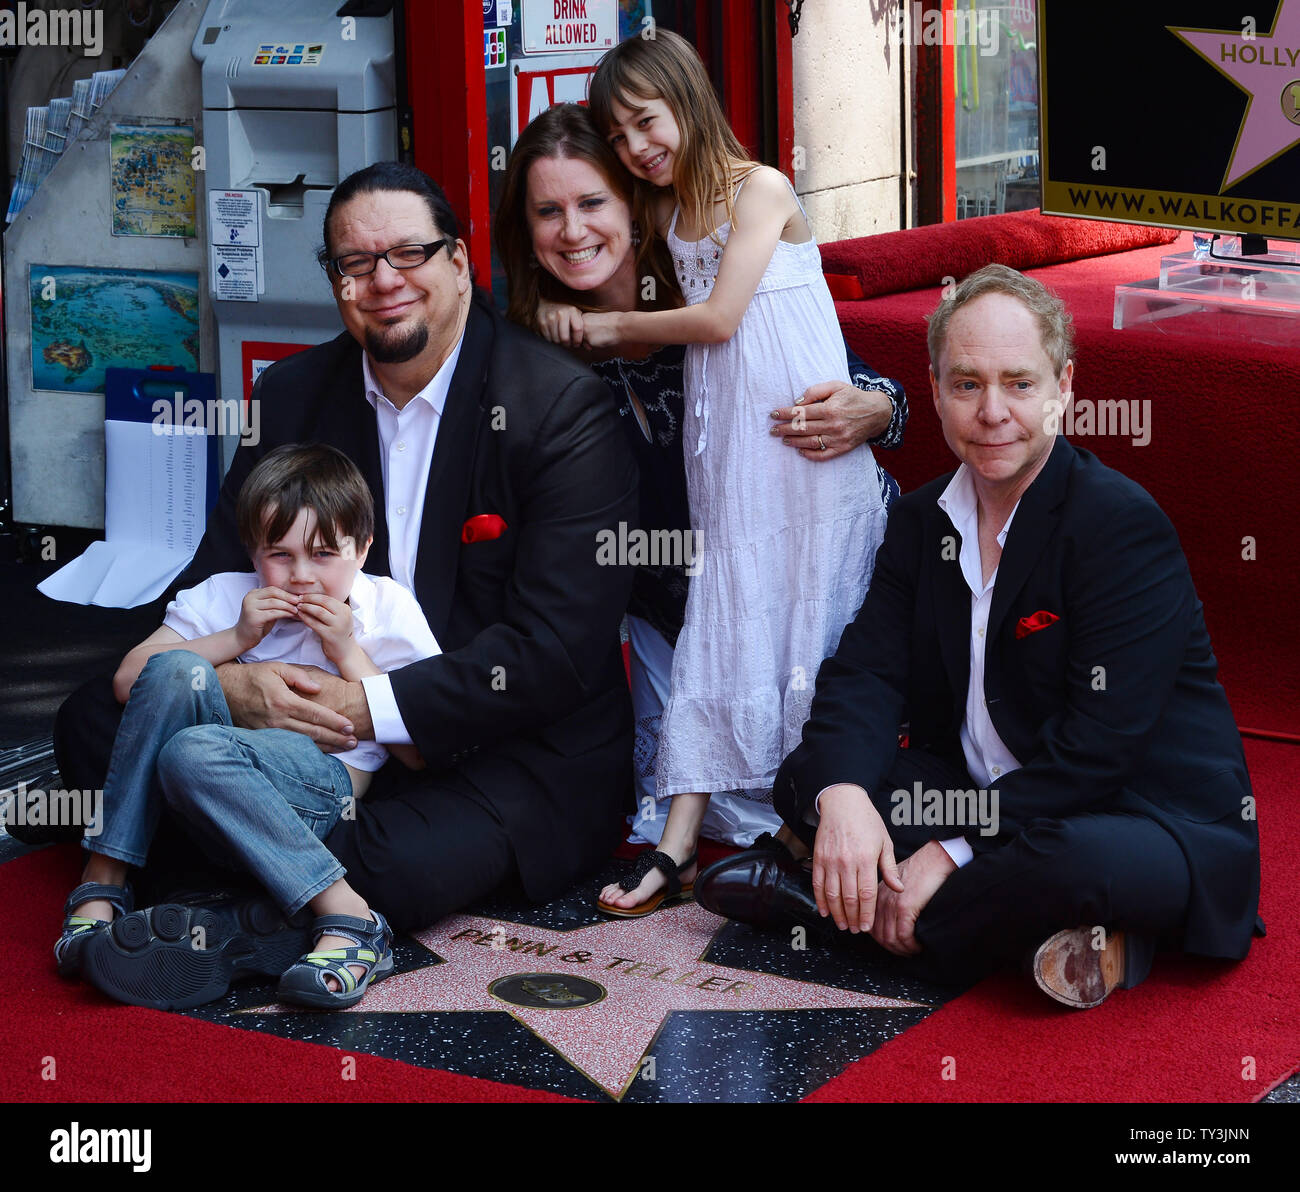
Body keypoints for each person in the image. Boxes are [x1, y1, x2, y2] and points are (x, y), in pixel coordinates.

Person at [52, 161, 638, 1006]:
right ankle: (272, 896)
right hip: (290, 737)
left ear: (461, 262)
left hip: (491, 738)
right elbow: (217, 571)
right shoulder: (292, 394)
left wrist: (365, 707)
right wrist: (237, 684)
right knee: (90, 724)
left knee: (395, 854)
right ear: (334, 281)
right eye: (355, 264)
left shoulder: (557, 407)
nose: (384, 282)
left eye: (408, 254)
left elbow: (554, 654)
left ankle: (219, 925)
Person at [695, 264, 1264, 1009]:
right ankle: (1036, 938)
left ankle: (832, 913)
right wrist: (842, 801)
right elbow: (865, 675)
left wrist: (950, 850)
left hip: (1129, 814)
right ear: (933, 390)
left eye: (1019, 384)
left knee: (1065, 863)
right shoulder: (922, 521)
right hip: (977, 793)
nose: (992, 411)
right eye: (966, 384)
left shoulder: (1118, 526)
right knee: (811, 778)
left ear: (1064, 386)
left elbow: (1097, 753)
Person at [496, 102, 908, 882]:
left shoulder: (704, 280)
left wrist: (880, 406)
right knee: (689, 802)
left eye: (591, 204)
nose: (572, 231)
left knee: (801, 793)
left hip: (798, 583)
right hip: (662, 618)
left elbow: (843, 373)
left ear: (635, 205)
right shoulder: (526, 338)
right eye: (547, 212)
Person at [60, 444, 435, 1010]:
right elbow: (127, 681)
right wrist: (236, 639)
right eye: (279, 555)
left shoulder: (388, 607)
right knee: (174, 669)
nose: (302, 576)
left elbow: (421, 752)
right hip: (207, 775)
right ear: (252, 552)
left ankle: (351, 914)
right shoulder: (225, 595)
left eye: (324, 554)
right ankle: (105, 878)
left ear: (362, 550)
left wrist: (347, 647)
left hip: (320, 784)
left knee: (193, 752)